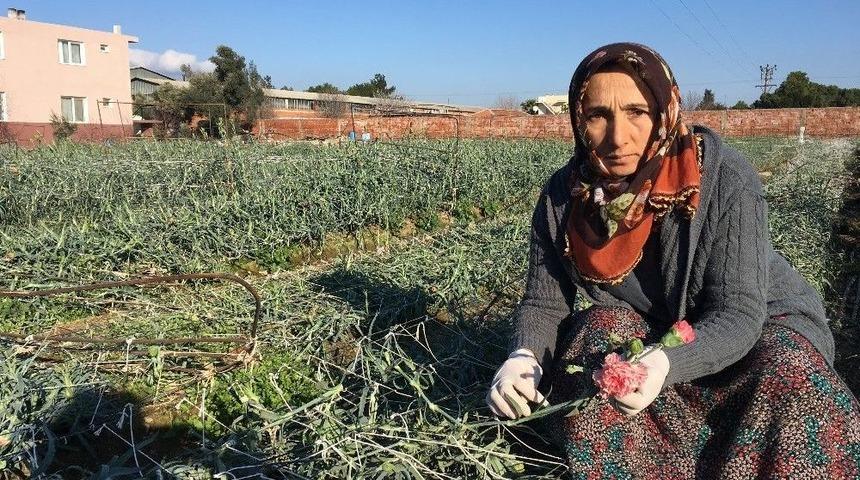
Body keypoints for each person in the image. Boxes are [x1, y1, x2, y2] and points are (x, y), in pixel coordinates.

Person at [486, 42, 860, 477]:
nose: (618, 137)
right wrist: (524, 356)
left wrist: (666, 362)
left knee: (790, 380)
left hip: (757, 325)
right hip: (658, 330)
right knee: (595, 339)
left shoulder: (723, 177)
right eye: (598, 115)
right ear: (577, 119)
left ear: (665, 111)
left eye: (637, 112)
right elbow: (544, 303)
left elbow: (738, 313)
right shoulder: (564, 197)